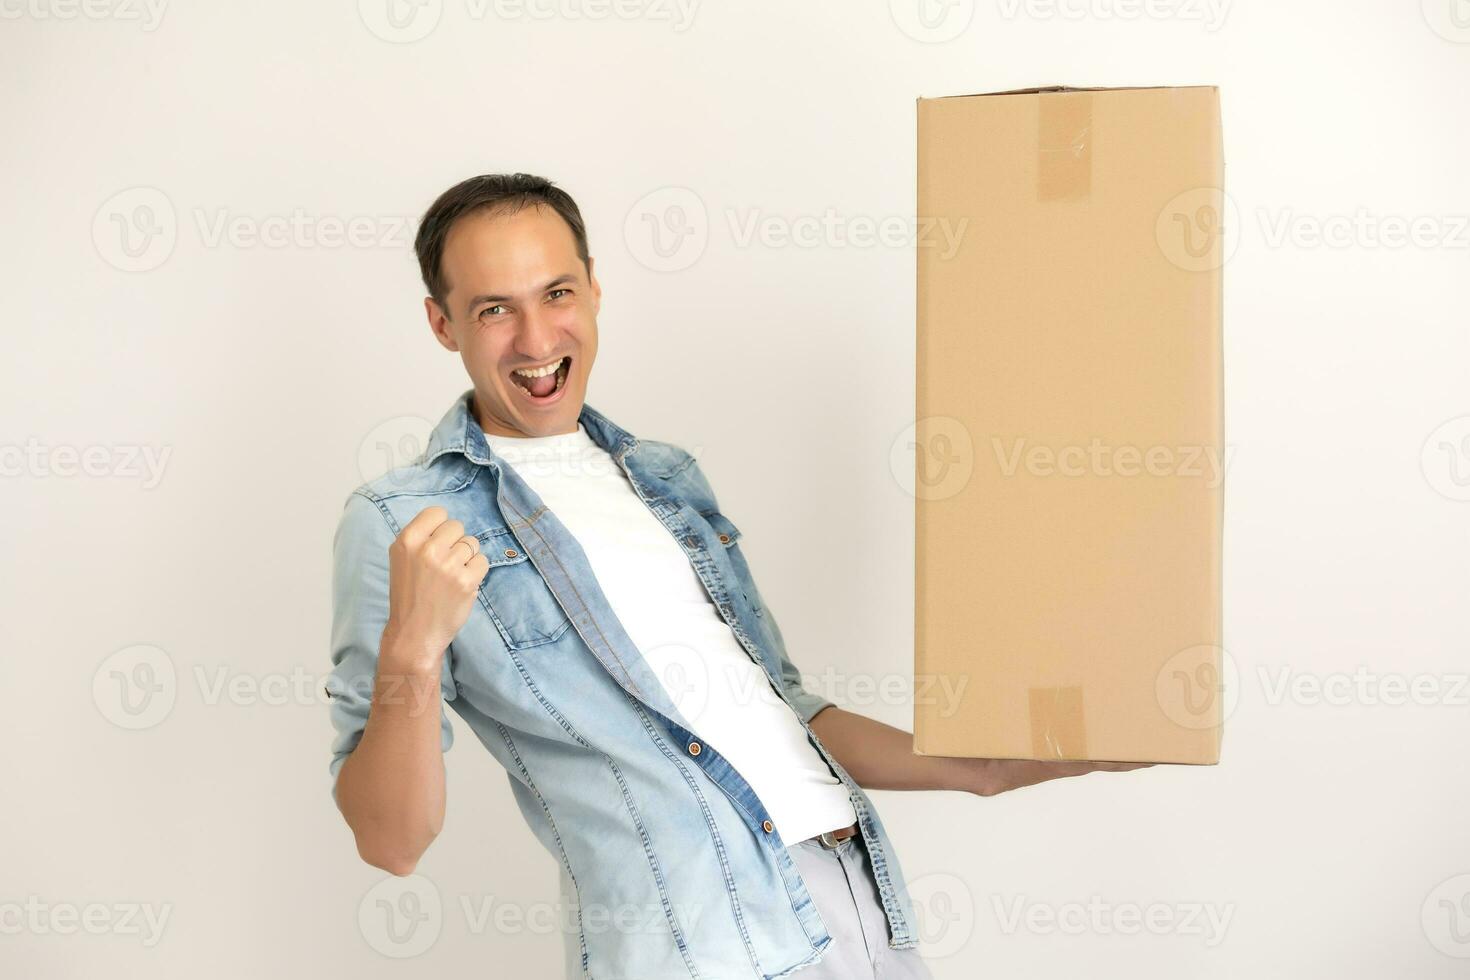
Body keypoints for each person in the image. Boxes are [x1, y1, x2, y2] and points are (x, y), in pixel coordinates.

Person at [326, 173, 1148, 978]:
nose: (538, 341)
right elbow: (390, 840)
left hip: (858, 907)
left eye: (558, 293)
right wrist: (411, 651)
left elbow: (789, 713)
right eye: (494, 309)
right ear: (442, 324)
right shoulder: (404, 521)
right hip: (699, 948)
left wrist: (982, 768)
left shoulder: (663, 476)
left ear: (596, 292)